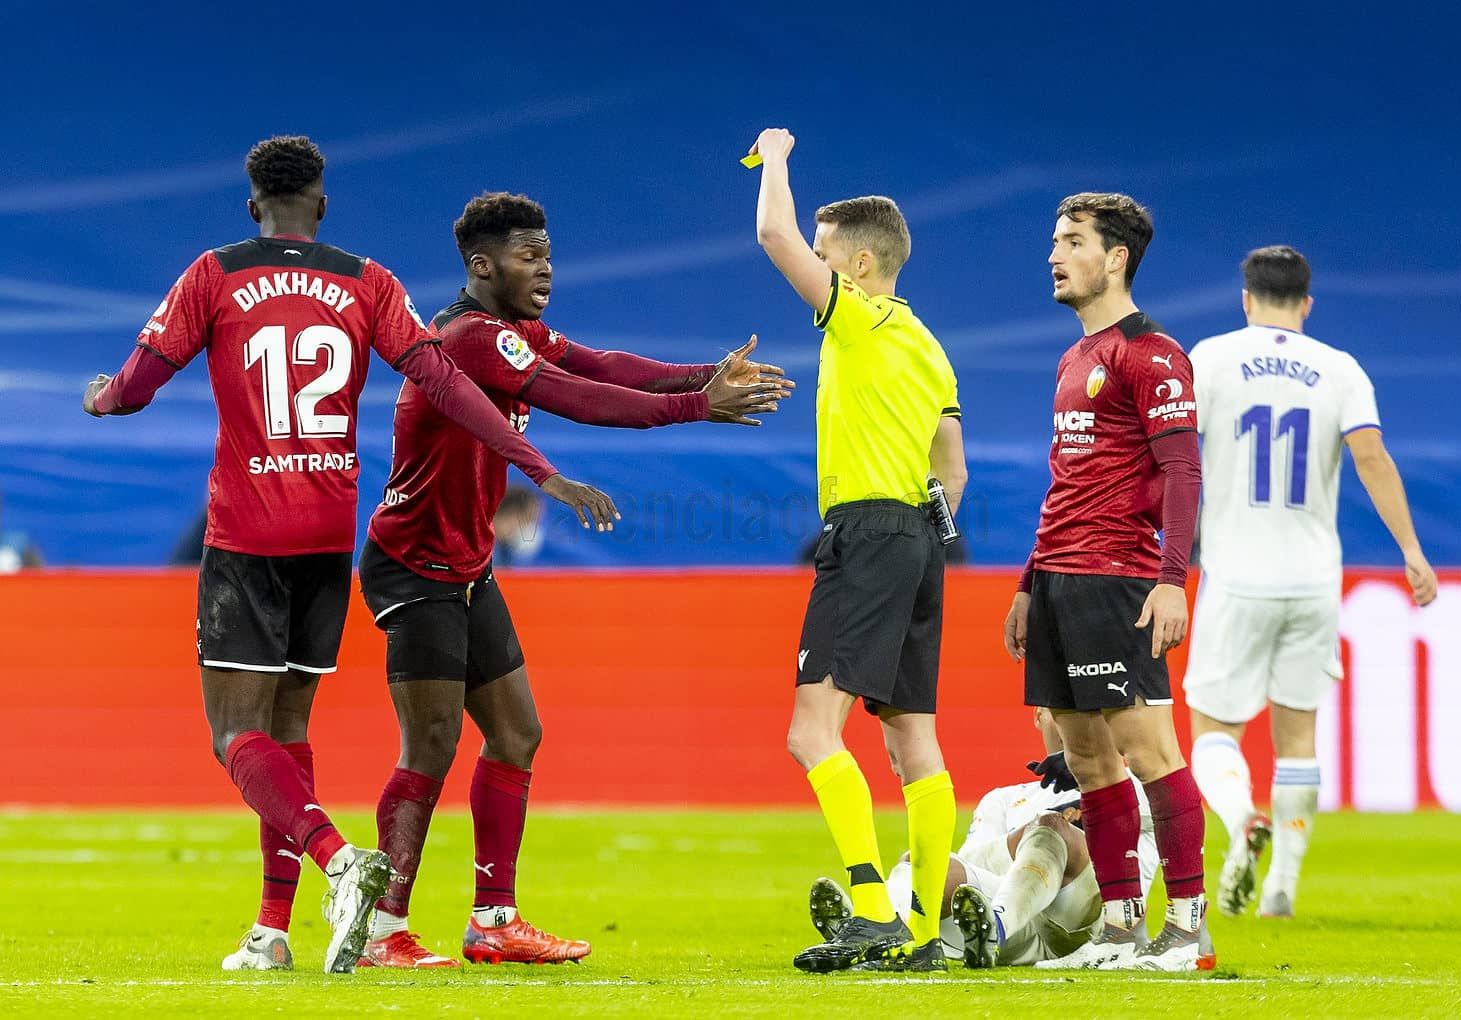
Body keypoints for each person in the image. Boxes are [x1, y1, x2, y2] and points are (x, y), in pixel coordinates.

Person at [81, 135, 615, 974]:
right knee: (289, 730)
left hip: (249, 530)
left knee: (236, 736)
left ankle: (339, 860)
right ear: (322, 204)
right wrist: (537, 469)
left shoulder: (215, 273)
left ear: (253, 204)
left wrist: (104, 397)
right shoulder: (367, 279)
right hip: (329, 534)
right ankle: (269, 930)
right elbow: (443, 381)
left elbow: (139, 385)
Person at [356, 191, 792, 967]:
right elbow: (576, 398)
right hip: (413, 565)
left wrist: (702, 375)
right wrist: (697, 405)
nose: (547, 268)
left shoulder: (514, 331)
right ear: (483, 266)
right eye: (530, 255)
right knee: (431, 743)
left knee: (517, 734)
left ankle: (493, 921)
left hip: (466, 565)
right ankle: (381, 931)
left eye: (549, 254)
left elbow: (596, 365)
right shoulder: (470, 337)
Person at [748, 127, 967, 973]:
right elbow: (953, 470)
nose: (815, 260)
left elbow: (773, 237)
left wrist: (775, 159)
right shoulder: (928, 346)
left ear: (860, 267)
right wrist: (922, 541)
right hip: (918, 535)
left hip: (869, 529)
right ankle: (920, 937)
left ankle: (874, 912)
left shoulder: (862, 318)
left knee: (812, 733)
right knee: (914, 737)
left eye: (827, 252)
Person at [1185, 245, 1438, 919]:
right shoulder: (1339, 369)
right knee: (1298, 734)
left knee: (1213, 726)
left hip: (1236, 571)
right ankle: (1283, 890)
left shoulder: (1207, 358)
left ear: (1246, 298)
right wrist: (1411, 549)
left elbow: (1174, 458)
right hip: (1312, 576)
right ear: (1307, 304)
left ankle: (1241, 819)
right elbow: (1371, 455)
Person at [1002, 192, 1209, 972]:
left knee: (1149, 749)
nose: (1054, 255)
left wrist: (1172, 580)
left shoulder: (1152, 354)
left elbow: (1182, 471)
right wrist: (1029, 581)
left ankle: (1186, 931)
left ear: (1115, 257)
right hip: (1058, 579)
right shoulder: (1073, 357)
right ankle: (1121, 929)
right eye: (1055, 240)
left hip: (1117, 577)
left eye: (1071, 241)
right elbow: (1064, 481)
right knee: (1086, 759)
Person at [806, 708, 1180, 970]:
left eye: (1089, 717)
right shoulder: (1003, 798)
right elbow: (969, 867)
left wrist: (1062, 805)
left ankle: (995, 928)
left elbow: (1153, 815)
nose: (1075, 726)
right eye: (1063, 712)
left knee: (1051, 831)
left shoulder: (1133, 786)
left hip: (1087, 925)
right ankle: (878, 926)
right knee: (926, 868)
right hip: (1011, 921)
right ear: (1039, 716)